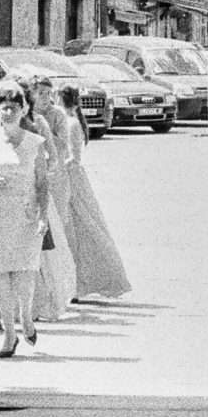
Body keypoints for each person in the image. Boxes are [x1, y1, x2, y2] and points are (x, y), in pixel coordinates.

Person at [0, 80, 50, 357]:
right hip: (0, 212)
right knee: (2, 271)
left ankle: (25, 317)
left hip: (27, 213)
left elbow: (42, 183)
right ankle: (9, 333)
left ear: (23, 108)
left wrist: (43, 216)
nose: (8, 112)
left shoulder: (35, 143)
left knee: (25, 271)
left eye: (13, 107)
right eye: (3, 107)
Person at [57, 82, 131, 298]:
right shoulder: (73, 121)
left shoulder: (70, 123)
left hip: (71, 179)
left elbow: (74, 158)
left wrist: (56, 166)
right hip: (73, 177)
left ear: (61, 98)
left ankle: (79, 284)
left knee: (78, 228)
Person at [20, 71, 77, 322]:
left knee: (56, 229)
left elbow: (61, 147)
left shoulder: (54, 115)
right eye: (38, 93)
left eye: (46, 93)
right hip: (26, 183)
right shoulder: (19, 114)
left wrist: (39, 132)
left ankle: (55, 292)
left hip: (54, 178)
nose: (42, 98)